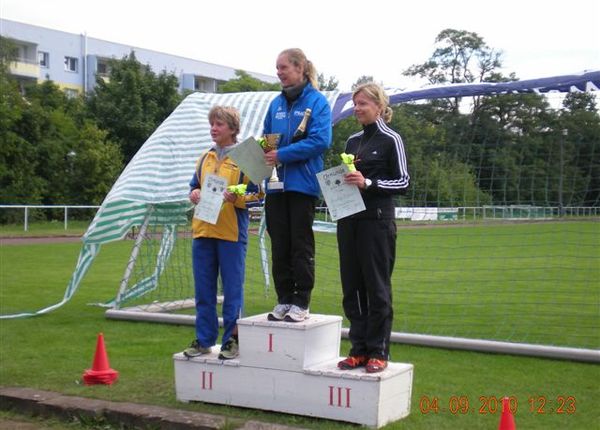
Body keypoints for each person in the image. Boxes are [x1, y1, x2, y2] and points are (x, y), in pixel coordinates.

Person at [336, 83, 410, 373]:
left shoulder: (392, 139)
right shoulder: (352, 141)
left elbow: (403, 181)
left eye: (363, 103)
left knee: (376, 288)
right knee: (352, 287)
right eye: (355, 103)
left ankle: (378, 351)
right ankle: (358, 349)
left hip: (377, 222)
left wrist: (368, 183)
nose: (357, 108)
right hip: (349, 220)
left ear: (379, 107)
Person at [184, 106, 263, 360]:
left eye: (219, 124)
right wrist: (194, 194)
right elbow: (194, 187)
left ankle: (232, 340)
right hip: (202, 232)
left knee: (232, 291)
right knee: (203, 291)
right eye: (212, 124)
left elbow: (258, 198)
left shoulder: (246, 157)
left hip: (231, 235)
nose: (213, 128)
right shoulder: (204, 157)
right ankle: (204, 340)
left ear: (232, 128)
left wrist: (236, 198)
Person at [262, 48, 332, 323]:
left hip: (302, 185)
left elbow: (320, 141)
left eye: (283, 67)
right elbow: (268, 139)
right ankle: (284, 299)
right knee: (279, 244)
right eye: (277, 68)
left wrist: (282, 154)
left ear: (300, 68)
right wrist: (261, 152)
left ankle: (301, 301)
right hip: (275, 185)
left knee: (300, 245)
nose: (279, 72)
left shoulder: (317, 102)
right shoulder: (275, 104)